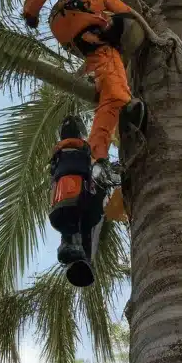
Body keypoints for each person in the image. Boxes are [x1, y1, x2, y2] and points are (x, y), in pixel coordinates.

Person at [22, 0, 147, 187]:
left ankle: (110, 139)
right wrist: (151, 31)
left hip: (81, 36)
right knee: (115, 96)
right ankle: (99, 158)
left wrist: (32, 13)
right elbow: (129, 12)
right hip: (96, 37)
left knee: (111, 87)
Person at [48, 115, 124, 287]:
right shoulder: (85, 155)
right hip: (82, 205)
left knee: (74, 226)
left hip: (59, 211)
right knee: (89, 225)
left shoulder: (57, 159)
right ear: (80, 132)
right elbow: (98, 176)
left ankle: (69, 245)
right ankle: (84, 258)